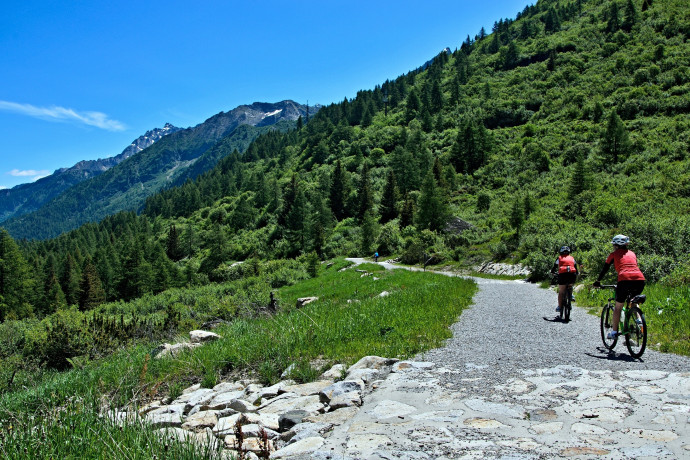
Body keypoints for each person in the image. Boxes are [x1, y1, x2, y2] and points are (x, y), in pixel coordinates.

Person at [593, 234, 645, 339]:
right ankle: (639, 322)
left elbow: (605, 269)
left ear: (616, 245)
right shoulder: (632, 253)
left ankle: (614, 332)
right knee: (633, 301)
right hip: (640, 279)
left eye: (614, 245)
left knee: (618, 307)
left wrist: (598, 281)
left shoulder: (613, 254)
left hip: (624, 279)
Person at [551, 246, 579, 313]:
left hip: (562, 275)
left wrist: (553, 273)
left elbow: (553, 268)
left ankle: (560, 307)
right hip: (572, 275)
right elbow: (576, 270)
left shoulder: (559, 258)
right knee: (570, 285)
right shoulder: (572, 258)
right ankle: (570, 295)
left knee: (561, 291)